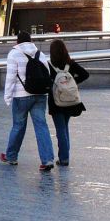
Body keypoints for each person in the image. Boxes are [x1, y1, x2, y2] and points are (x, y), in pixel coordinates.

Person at [1, 30, 55, 172]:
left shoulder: (14, 53)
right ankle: (47, 159)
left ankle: (11, 157)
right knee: (41, 125)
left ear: (17, 41)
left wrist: (7, 97)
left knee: (18, 126)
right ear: (30, 41)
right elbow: (47, 74)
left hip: (21, 96)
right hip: (40, 95)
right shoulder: (40, 54)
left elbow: (11, 77)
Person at [48, 39, 90, 167]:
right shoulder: (70, 63)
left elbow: (47, 81)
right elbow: (85, 74)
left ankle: (64, 158)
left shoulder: (49, 65)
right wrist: (72, 82)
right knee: (65, 129)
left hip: (56, 102)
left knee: (60, 130)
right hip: (71, 102)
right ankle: (64, 156)